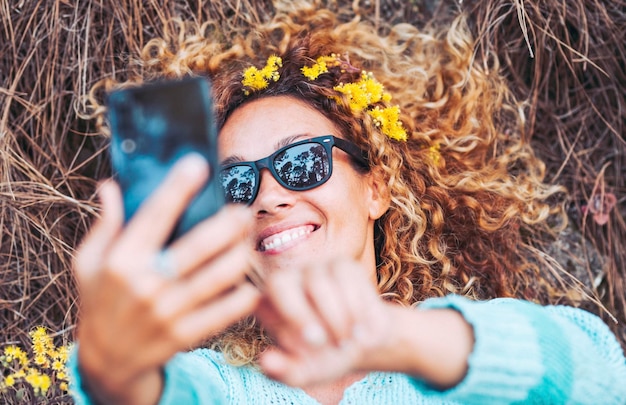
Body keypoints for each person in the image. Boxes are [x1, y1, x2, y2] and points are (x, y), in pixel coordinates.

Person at [69, 3, 626, 404]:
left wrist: (394, 338)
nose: (267, 196)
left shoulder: (458, 356)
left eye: (302, 162)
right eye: (235, 183)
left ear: (376, 189)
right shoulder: (221, 386)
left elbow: (599, 374)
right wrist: (110, 371)